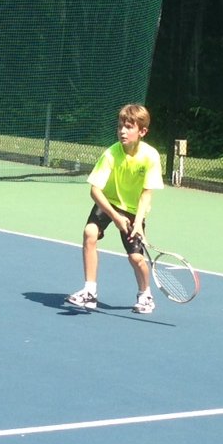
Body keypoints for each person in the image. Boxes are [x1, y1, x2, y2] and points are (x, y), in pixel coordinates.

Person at [66, 104, 164, 314]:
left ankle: (145, 295)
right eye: (120, 126)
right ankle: (90, 292)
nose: (122, 131)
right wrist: (116, 218)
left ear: (142, 132)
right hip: (109, 202)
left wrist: (137, 222)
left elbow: (147, 193)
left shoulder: (151, 156)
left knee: (136, 258)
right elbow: (95, 190)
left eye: (129, 127)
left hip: (133, 209)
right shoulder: (111, 153)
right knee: (89, 233)